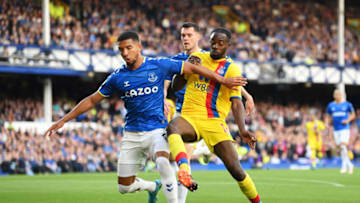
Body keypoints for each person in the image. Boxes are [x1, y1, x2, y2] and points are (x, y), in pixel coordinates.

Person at [45, 31, 246, 203]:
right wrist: (63, 120)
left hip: (157, 129)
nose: (125, 53)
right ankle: (152, 187)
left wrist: (222, 80)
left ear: (139, 47)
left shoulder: (158, 65)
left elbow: (192, 68)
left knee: (162, 163)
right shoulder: (117, 77)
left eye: (129, 48)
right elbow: (91, 100)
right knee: (124, 187)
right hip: (131, 134)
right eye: (121, 50)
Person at [166, 27, 261, 203]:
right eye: (213, 42)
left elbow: (236, 102)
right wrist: (186, 68)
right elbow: (175, 87)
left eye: (220, 43)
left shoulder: (232, 69)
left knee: (236, 170)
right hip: (190, 117)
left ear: (228, 45)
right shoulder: (198, 59)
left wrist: (243, 130)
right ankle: (184, 171)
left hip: (214, 123)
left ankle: (257, 201)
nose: (216, 46)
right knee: (173, 127)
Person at [325, 89, 355, 174]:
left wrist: (347, 120)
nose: (337, 96)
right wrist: (327, 123)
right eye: (336, 94)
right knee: (340, 148)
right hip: (336, 129)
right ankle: (350, 164)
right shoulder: (331, 105)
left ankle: (343, 166)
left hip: (344, 128)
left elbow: (353, 115)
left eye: (339, 94)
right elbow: (327, 115)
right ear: (334, 95)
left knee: (342, 145)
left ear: (341, 95)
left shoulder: (347, 104)